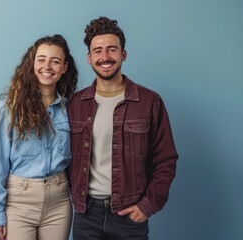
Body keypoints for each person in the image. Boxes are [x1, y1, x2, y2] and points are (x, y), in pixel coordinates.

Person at [67, 16, 179, 239]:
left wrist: (148, 205)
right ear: (89, 58)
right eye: (98, 51)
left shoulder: (149, 101)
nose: (105, 57)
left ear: (123, 54)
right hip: (86, 215)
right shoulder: (75, 104)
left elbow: (166, 159)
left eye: (112, 49)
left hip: (129, 215)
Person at [0, 34, 78, 240]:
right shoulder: (7, 109)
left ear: (64, 67)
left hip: (59, 202)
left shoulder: (69, 109)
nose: (48, 66)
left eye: (55, 61)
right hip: (18, 202)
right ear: (32, 63)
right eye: (41, 59)